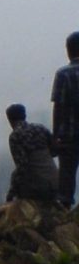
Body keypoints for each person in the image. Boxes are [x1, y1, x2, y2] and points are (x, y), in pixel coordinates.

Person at [5, 103, 58, 204]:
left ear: (10, 120)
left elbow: (22, 167)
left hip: (38, 187)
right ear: (24, 116)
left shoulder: (15, 136)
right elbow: (55, 151)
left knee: (17, 179)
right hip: (56, 183)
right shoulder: (40, 128)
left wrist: (10, 194)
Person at [51, 31, 79, 206]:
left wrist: (55, 137)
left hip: (69, 136)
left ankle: (65, 211)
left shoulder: (63, 74)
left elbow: (59, 107)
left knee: (67, 177)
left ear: (68, 50)